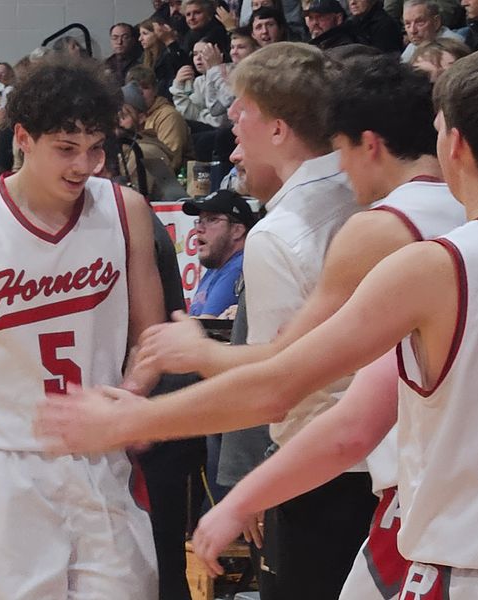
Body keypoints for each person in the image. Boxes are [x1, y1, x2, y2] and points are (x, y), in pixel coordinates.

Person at [39, 43, 368, 600]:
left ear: (279, 128)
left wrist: (189, 371)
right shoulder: (359, 196)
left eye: (244, 110)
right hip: (373, 465)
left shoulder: (283, 232)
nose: (232, 121)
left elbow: (278, 386)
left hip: (323, 470)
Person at [191, 47, 478, 599]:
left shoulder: (408, 246)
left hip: (437, 537)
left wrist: (145, 408)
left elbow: (286, 383)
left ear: (456, 144)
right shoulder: (453, 229)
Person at [0, 56, 165, 600]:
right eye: (66, 148)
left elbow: (151, 336)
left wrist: (134, 394)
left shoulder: (126, 210)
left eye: (95, 148)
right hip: (4, 461)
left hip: (101, 456)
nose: (83, 165)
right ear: (23, 138)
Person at [185, 189, 255, 318]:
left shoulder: (239, 267)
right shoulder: (217, 267)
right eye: (199, 221)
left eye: (212, 219)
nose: (199, 229)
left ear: (237, 230)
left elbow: (207, 324)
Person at [127, 65, 192, 172]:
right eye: (135, 88)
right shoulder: (128, 117)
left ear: (155, 90)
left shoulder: (169, 116)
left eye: (145, 87)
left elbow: (171, 160)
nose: (140, 92)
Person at [401, 0, 465, 62]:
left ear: (436, 22)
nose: (412, 31)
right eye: (407, 24)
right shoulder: (412, 46)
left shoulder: (454, 46)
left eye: (419, 22)